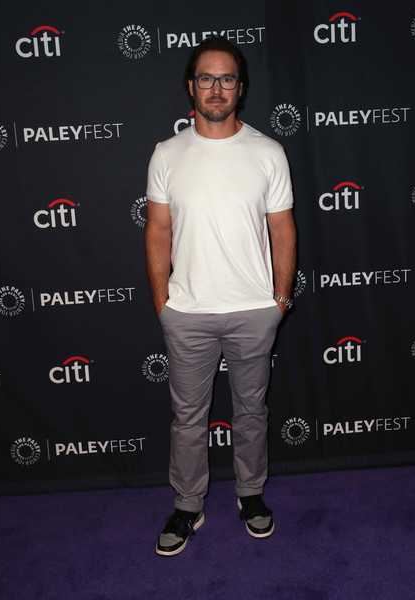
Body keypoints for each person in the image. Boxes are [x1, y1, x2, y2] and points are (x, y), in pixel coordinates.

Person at [145, 36, 296, 557]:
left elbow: (283, 230)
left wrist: (279, 298)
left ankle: (250, 495)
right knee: (188, 417)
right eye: (206, 78)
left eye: (227, 78)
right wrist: (163, 300)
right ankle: (188, 504)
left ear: (241, 88)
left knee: (252, 411)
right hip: (186, 312)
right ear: (191, 86)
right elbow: (158, 230)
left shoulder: (268, 153)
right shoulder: (167, 154)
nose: (216, 87)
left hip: (255, 310)